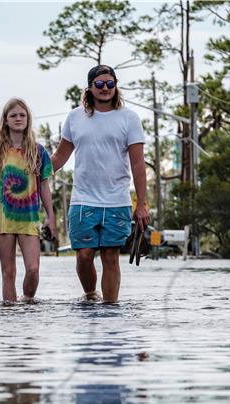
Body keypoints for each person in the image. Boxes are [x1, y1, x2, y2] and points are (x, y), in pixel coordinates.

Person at [50, 65, 149, 303]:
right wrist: (30, 174)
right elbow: (59, 157)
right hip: (83, 201)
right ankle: (90, 294)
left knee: (110, 256)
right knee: (84, 256)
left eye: (110, 84)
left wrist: (142, 204)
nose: (105, 88)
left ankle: (110, 307)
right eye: (100, 84)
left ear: (116, 86)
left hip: (117, 201)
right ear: (90, 88)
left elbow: (138, 164)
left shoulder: (129, 118)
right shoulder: (75, 117)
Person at [0, 97, 55, 304]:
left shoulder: (38, 151)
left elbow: (44, 185)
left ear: (28, 119)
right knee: (8, 272)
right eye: (13, 115)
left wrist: (51, 217)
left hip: (29, 219)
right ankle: (9, 316)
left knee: (33, 269)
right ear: (6, 121)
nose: (18, 118)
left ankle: (26, 299)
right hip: (4, 220)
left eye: (22, 115)